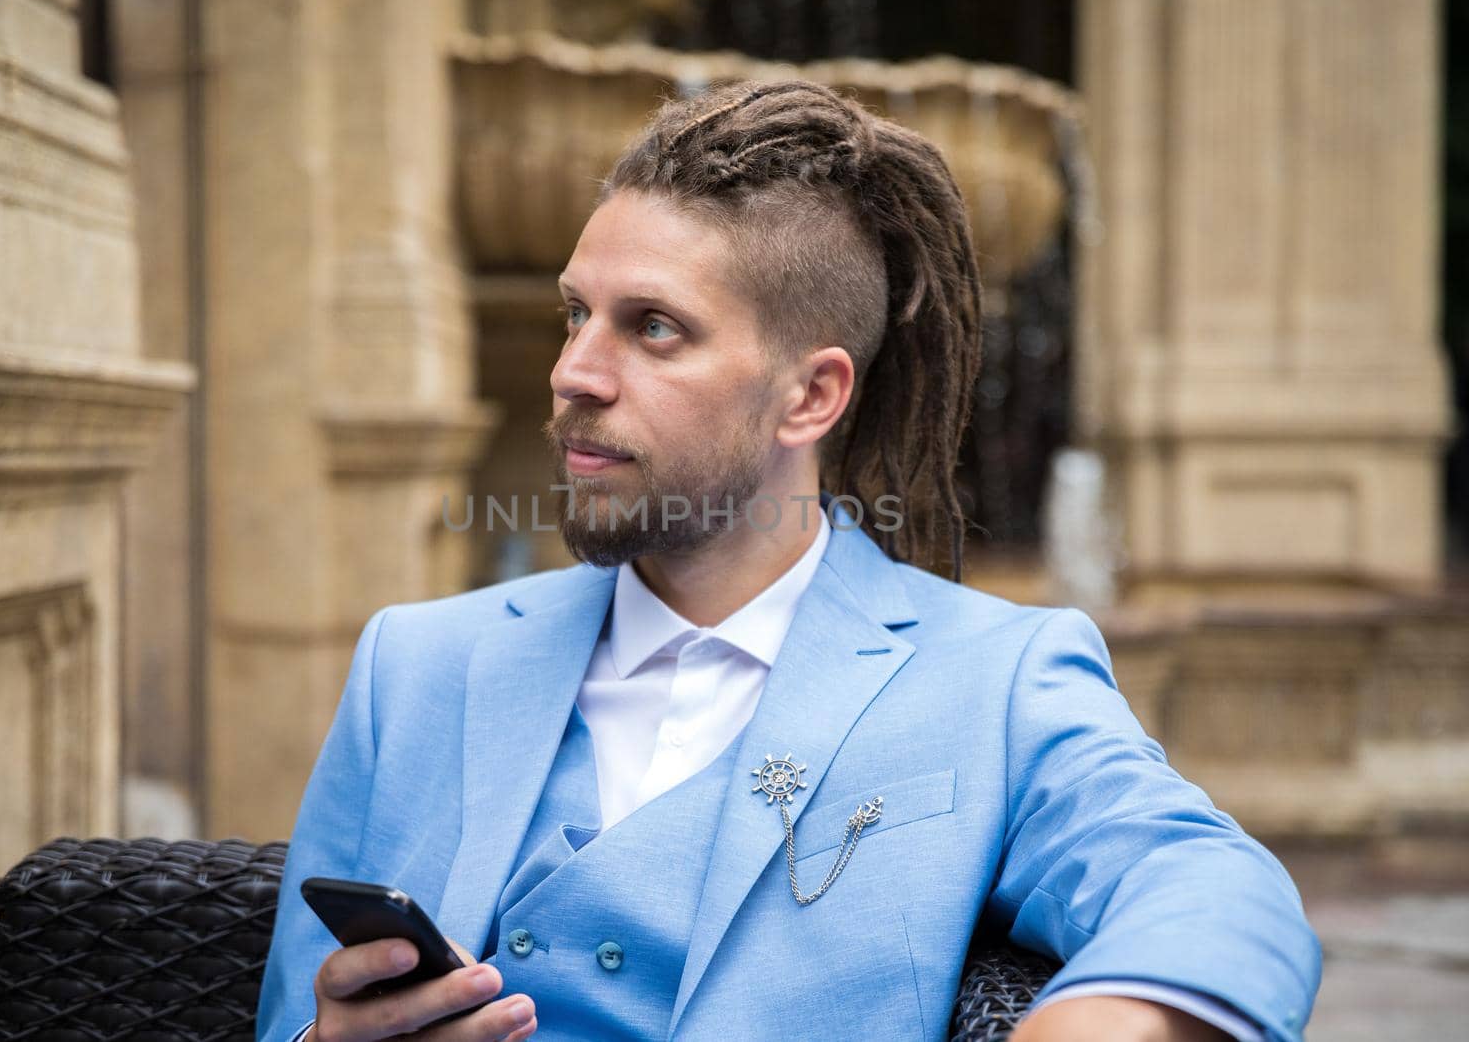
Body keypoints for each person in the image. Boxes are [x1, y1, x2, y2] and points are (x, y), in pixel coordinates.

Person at [256, 78, 1321, 1042]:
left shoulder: (996, 677)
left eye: (654, 327)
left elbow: (1210, 880)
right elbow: (290, 1016)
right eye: (576, 313)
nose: (574, 371)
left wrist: (1110, 1019)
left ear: (810, 395)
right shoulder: (417, 664)